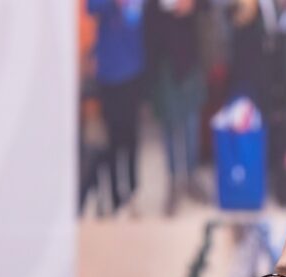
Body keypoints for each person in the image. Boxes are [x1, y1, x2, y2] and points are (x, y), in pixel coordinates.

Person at [86, 0, 147, 214]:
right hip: (108, 72)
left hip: (134, 70)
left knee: (131, 136)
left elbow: (141, 16)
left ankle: (132, 192)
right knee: (112, 138)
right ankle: (114, 197)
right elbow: (91, 7)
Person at [148, 0, 208, 215]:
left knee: (191, 125)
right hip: (165, 62)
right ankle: (173, 181)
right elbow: (148, 15)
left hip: (190, 58)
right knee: (170, 127)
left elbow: (207, 6)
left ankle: (190, 177)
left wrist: (192, 4)